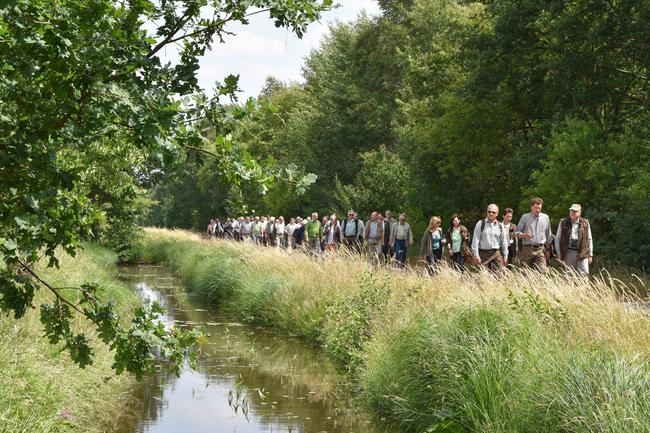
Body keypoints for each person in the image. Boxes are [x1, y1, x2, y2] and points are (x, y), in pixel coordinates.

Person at [555, 204, 593, 276]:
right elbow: (557, 238)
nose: (573, 213)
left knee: (584, 273)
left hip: (582, 252)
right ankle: (570, 287)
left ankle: (584, 287)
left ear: (579, 213)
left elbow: (589, 239)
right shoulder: (563, 222)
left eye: (575, 211)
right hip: (568, 251)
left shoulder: (585, 223)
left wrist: (590, 254)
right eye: (571, 211)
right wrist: (559, 253)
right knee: (569, 275)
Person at [516, 197, 552, 273]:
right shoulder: (525, 217)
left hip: (540, 249)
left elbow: (548, 234)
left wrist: (548, 250)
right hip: (527, 249)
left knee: (543, 271)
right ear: (531, 207)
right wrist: (525, 235)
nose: (537, 210)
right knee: (526, 272)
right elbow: (516, 233)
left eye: (539, 208)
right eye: (536, 208)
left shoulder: (545, 217)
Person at [471, 204, 509, 272]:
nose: (491, 214)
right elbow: (475, 240)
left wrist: (505, 256)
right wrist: (476, 255)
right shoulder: (480, 224)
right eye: (489, 212)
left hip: (496, 253)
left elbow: (504, 242)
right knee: (482, 276)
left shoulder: (500, 226)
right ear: (487, 212)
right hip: (483, 253)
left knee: (500, 276)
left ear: (497, 214)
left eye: (493, 212)